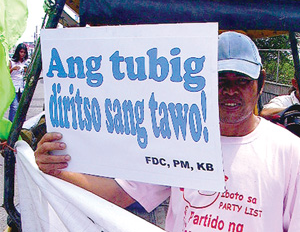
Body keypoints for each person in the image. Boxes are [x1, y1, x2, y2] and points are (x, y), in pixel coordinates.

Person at [35, 32, 300, 231]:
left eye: (242, 81)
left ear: (261, 82)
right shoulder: (181, 143)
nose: (230, 91)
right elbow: (119, 193)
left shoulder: (289, 151)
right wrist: (57, 170)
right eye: (221, 81)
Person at [8, 43, 29, 122]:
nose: (22, 54)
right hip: (13, 86)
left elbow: (26, 74)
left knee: (21, 107)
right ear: (17, 52)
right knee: (14, 107)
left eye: (24, 52)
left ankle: (20, 124)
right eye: (21, 52)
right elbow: (7, 74)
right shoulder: (12, 62)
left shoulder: (25, 62)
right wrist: (12, 69)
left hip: (21, 87)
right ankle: (11, 124)